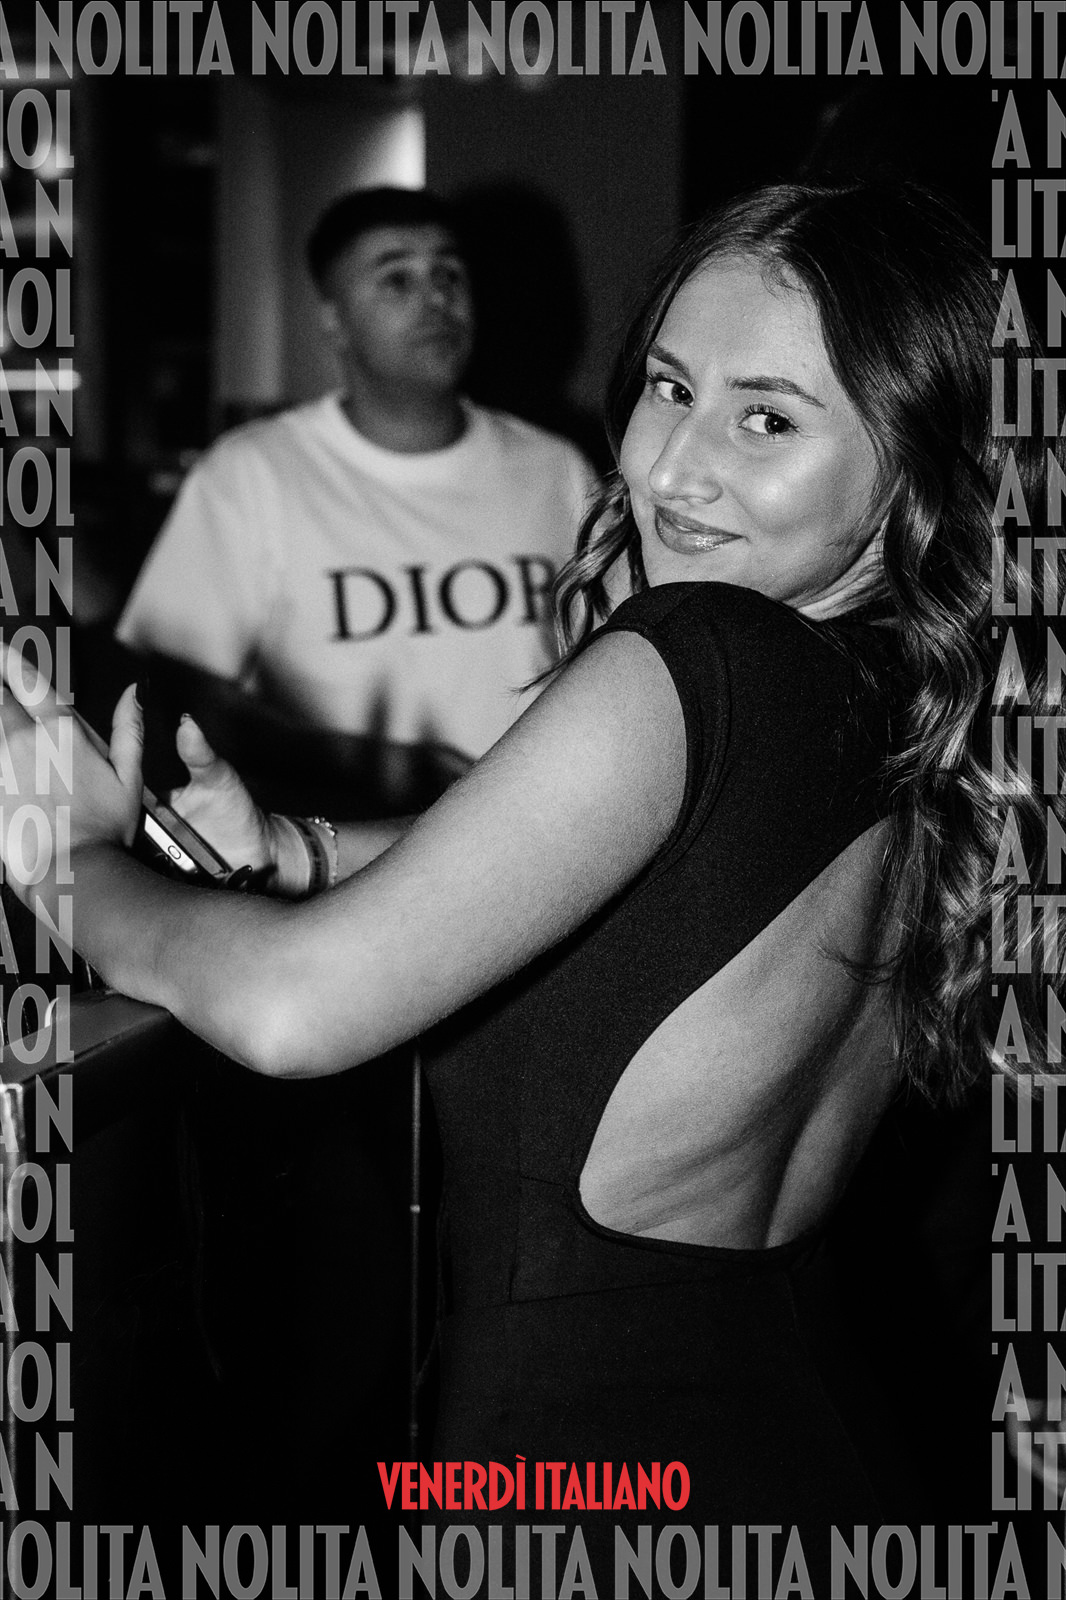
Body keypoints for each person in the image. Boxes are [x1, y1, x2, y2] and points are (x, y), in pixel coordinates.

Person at [1, 179, 1046, 1592]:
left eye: (767, 420)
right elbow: (615, 871)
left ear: (914, 450)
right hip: (804, 1430)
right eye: (669, 387)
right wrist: (298, 846)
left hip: (582, 1469)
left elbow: (291, 1011)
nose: (671, 467)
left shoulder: (701, 651)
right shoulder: (895, 689)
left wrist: (65, 860)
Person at [116, 185, 596, 764]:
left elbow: (615, 663)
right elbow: (172, 692)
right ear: (333, 320)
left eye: (449, 274)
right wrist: (369, 771)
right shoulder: (253, 474)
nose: (436, 299)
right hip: (341, 821)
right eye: (397, 279)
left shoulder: (555, 468)